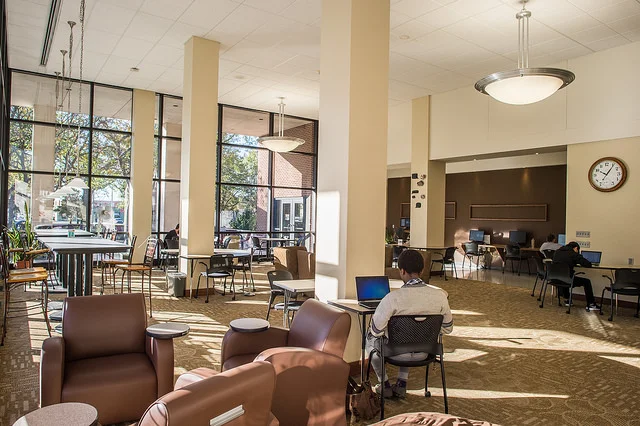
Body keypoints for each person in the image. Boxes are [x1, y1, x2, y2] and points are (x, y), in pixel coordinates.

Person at [366, 249, 453, 398]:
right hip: (426, 353)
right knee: (411, 336)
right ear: (422, 269)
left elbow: (376, 331)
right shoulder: (440, 296)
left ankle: (384, 384)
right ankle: (401, 384)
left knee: (369, 340)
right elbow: (448, 328)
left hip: (396, 353)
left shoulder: (392, 298)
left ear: (402, 271)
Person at [552, 241, 599, 311]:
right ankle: (591, 304)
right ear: (576, 248)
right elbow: (587, 264)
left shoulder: (557, 252)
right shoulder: (573, 254)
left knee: (565, 275)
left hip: (555, 279)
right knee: (586, 282)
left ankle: (567, 300)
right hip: (567, 279)